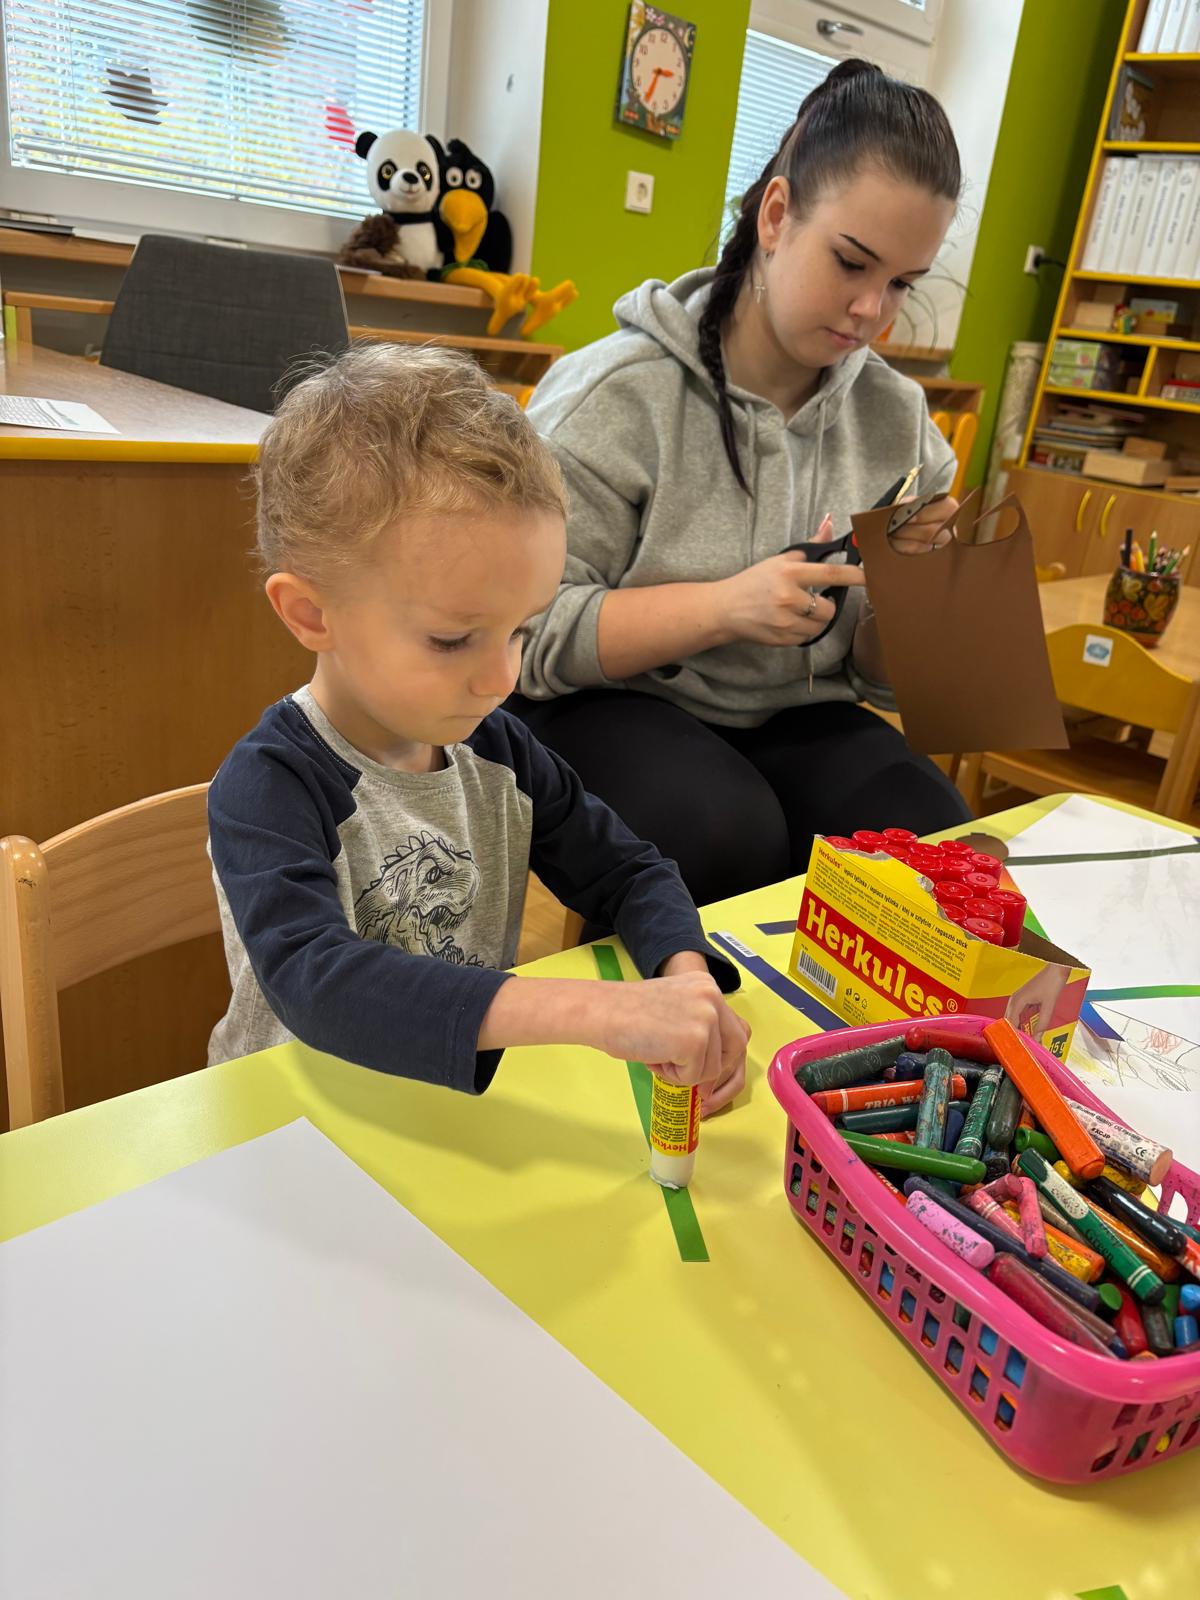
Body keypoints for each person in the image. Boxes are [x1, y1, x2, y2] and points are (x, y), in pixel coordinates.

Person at [206, 344, 747, 1114]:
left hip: (451, 1114)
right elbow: (316, 982)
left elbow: (629, 872)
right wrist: (597, 1012)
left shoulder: (497, 751)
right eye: (453, 639)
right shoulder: (270, 784)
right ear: (311, 614)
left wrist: (683, 978)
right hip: (294, 1122)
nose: (503, 679)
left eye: (522, 630)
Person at [510, 59, 973, 912]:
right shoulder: (617, 395)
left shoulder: (902, 426)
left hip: (793, 714)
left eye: (902, 283)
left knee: (930, 845)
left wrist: (908, 603)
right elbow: (521, 637)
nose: (872, 310)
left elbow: (880, 682)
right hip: (600, 702)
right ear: (776, 215)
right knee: (722, 837)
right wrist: (723, 607)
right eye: (851, 263)